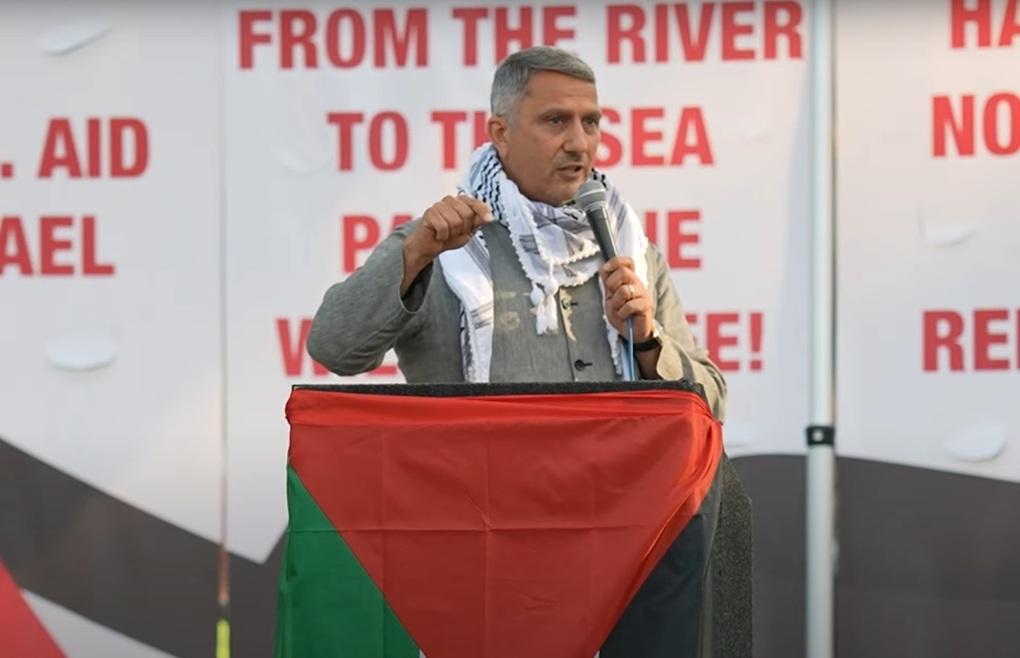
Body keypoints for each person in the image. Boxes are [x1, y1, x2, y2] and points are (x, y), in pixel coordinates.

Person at [307, 45, 726, 420]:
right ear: (501, 133)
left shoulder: (627, 246)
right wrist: (414, 256)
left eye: (591, 122)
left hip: (614, 501)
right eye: (556, 120)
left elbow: (712, 404)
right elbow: (335, 350)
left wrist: (648, 342)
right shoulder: (441, 247)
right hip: (478, 500)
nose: (580, 143)